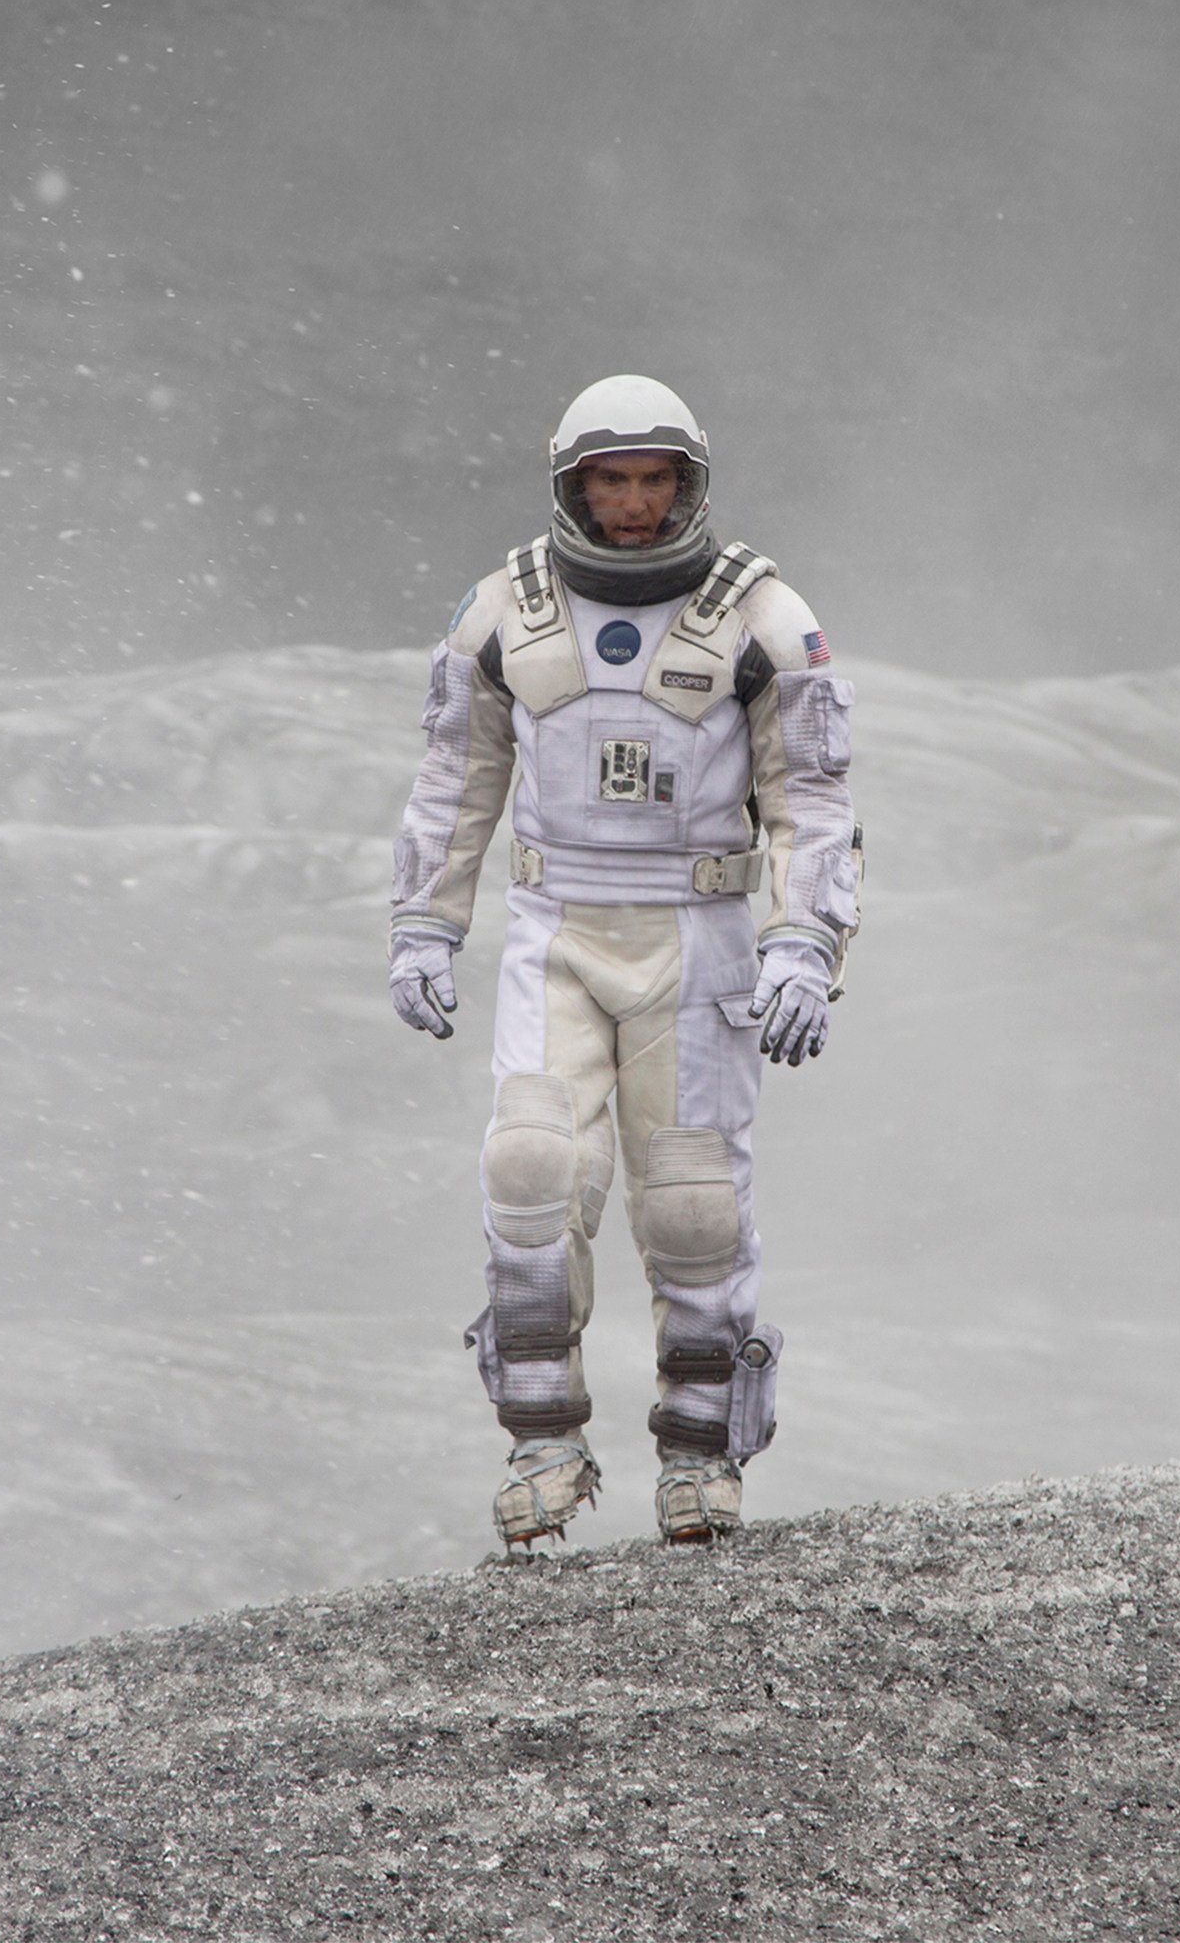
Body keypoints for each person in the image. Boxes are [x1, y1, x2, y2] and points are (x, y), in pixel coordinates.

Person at [385, 374, 861, 1550]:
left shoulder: (764, 618)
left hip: (698, 939)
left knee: (694, 1201)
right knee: (532, 1165)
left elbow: (811, 794)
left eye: (654, 479)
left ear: (688, 482)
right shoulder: (503, 612)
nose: (635, 504)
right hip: (558, 934)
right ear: (573, 484)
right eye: (612, 480)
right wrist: (423, 922)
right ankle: (541, 1441)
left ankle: (702, 1459)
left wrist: (806, 943)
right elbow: (456, 781)